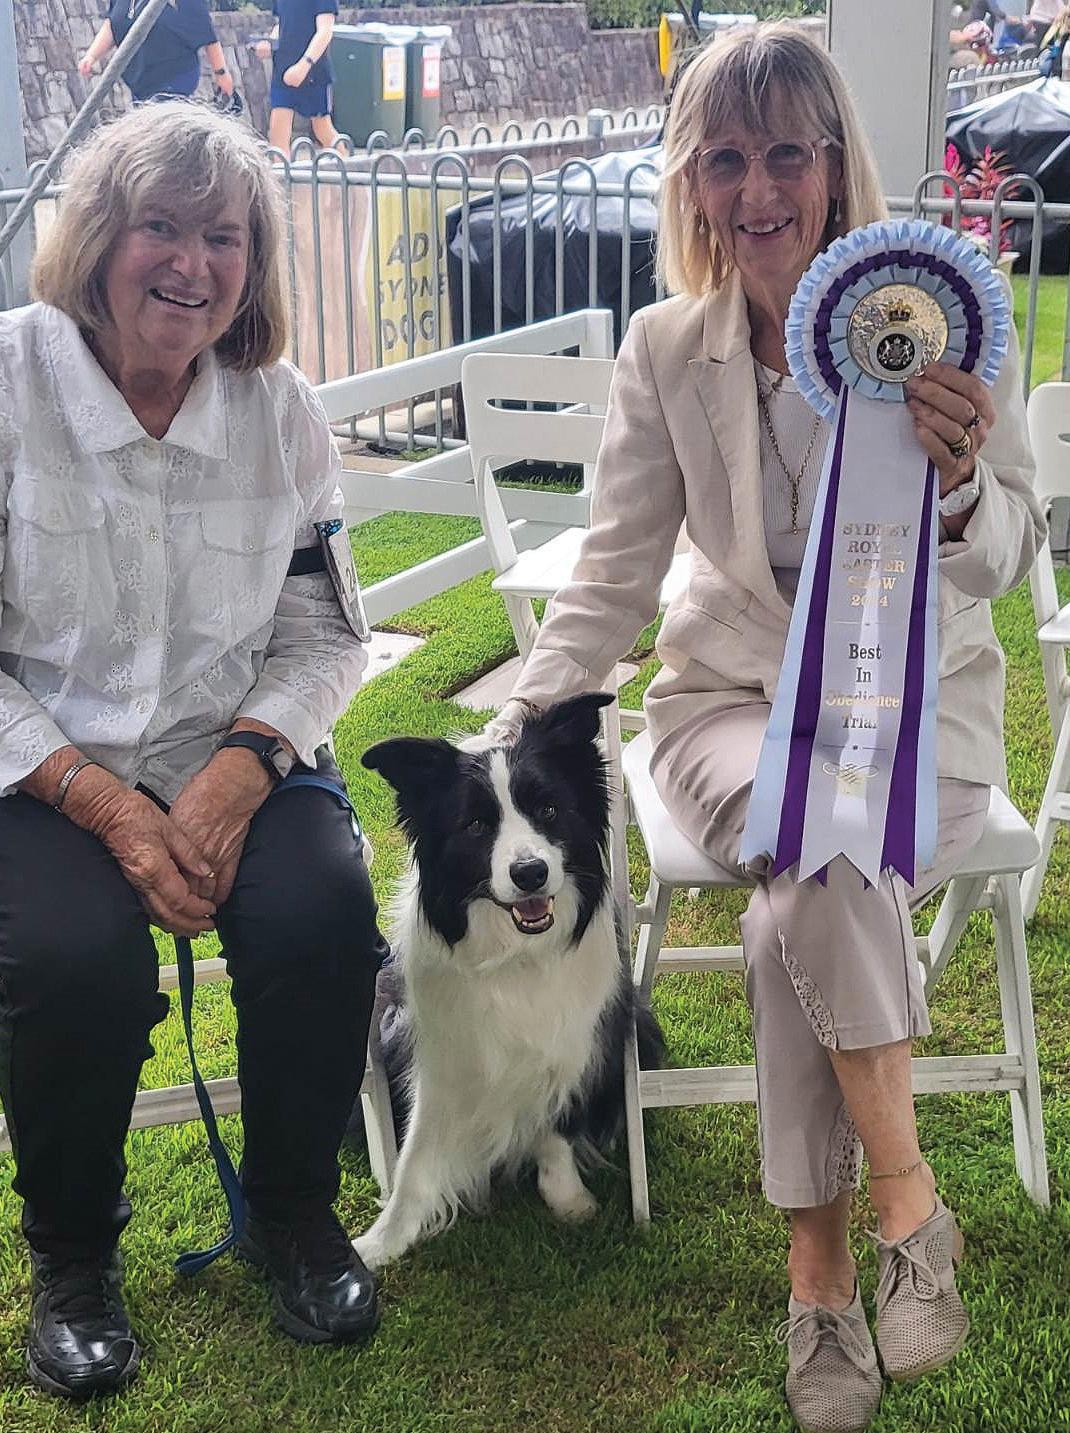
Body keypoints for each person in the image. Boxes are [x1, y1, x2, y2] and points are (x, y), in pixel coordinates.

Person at [474, 24, 1043, 1433]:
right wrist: (527, 714)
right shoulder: (667, 348)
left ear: (834, 163)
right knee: (815, 840)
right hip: (728, 709)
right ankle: (909, 1202)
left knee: (806, 883)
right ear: (692, 183)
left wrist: (960, 484)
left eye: (787, 151)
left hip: (920, 718)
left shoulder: (936, 319)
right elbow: (616, 569)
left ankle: (820, 1279)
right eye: (724, 158)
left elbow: (1008, 557)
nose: (759, 187)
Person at [0, 103, 385, 1398]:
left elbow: (324, 633)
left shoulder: (278, 407)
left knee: (322, 911)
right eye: (159, 228)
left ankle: (293, 1212)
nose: (192, 264)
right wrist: (111, 810)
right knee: (82, 958)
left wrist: (239, 772)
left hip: (225, 738)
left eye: (223, 236)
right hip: (13, 753)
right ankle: (73, 1260)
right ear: (95, 238)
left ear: (254, 263)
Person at [80, 0, 235, 107]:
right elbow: (113, 23)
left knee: (161, 126)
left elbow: (205, 30)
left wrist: (221, 73)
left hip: (175, 75)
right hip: (141, 82)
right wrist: (91, 56)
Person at [255, 0, 339, 155]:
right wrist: (270, 43)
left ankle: (347, 166)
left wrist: (304, 65)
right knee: (277, 134)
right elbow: (282, 24)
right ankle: (282, 170)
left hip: (314, 71)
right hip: (283, 70)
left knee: (322, 129)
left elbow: (325, 31)